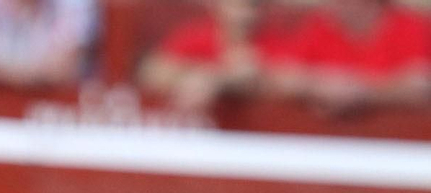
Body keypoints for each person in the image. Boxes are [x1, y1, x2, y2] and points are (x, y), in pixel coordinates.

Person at [263, 0, 431, 113]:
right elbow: (279, 75)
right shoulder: (320, 25)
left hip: (398, 143)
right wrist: (318, 83)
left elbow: (420, 84)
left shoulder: (411, 26)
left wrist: (363, 92)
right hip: (331, 145)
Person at [138, 0, 294, 110]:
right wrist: (207, 75)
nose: (244, 15)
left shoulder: (274, 41)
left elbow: (292, 80)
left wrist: (223, 80)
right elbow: (151, 72)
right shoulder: (196, 35)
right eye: (236, 5)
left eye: (251, 6)